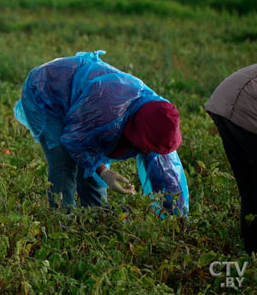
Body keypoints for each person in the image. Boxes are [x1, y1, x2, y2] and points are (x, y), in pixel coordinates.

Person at [14, 50, 183, 209]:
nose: (146, 150)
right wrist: (104, 171)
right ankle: (60, 221)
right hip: (46, 91)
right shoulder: (108, 110)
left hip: (82, 98)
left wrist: (175, 219)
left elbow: (168, 177)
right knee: (64, 162)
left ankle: (95, 216)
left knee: (92, 170)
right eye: (146, 145)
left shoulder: (160, 122)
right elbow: (74, 140)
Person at [206, 64, 257, 254]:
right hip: (245, 103)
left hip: (226, 99)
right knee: (251, 186)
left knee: (250, 187)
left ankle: (251, 253)